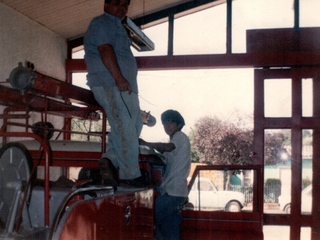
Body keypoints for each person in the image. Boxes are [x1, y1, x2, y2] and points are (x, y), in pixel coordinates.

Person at [83, 0, 144, 188]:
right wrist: (118, 78)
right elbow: (104, 49)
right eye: (117, 2)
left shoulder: (118, 26)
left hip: (123, 86)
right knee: (124, 126)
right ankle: (130, 175)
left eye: (125, 4)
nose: (122, 7)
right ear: (106, 4)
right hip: (110, 83)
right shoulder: (102, 22)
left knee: (135, 124)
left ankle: (110, 160)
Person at [139, 110, 191, 240]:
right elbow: (163, 156)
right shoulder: (177, 143)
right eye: (165, 124)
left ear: (179, 125)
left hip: (173, 193)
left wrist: (146, 144)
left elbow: (167, 147)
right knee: (170, 230)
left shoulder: (179, 136)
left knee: (147, 218)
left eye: (171, 123)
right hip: (177, 193)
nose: (167, 126)